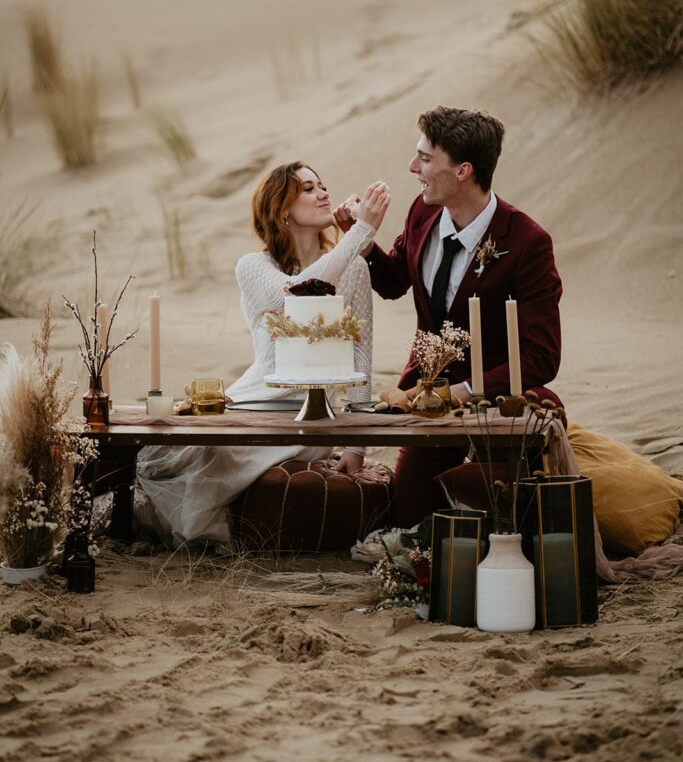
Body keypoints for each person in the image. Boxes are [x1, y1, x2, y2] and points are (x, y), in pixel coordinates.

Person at [135, 162, 391, 546]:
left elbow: (361, 353)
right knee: (191, 449)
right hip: (253, 400)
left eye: (323, 185)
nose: (323, 193)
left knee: (231, 458)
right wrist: (361, 232)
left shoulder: (354, 267)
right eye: (308, 188)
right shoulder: (253, 266)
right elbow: (292, 292)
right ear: (281, 209)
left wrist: (355, 447)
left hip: (311, 416)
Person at [334, 107, 562, 527]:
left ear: (463, 171)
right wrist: (363, 241)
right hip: (424, 397)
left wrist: (462, 390)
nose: (412, 167)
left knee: (518, 516)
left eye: (424, 158)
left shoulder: (528, 243)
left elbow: (542, 357)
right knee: (408, 519)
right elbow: (395, 281)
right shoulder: (422, 213)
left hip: (497, 400)